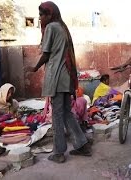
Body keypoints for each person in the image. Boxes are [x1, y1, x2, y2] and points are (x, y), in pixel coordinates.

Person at [25, 1, 91, 163]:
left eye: (42, 15)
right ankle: (81, 144)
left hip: (56, 76)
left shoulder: (51, 28)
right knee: (66, 113)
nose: (40, 18)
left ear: (50, 15)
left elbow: (46, 54)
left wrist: (34, 68)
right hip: (66, 76)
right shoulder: (62, 27)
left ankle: (59, 152)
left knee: (57, 115)